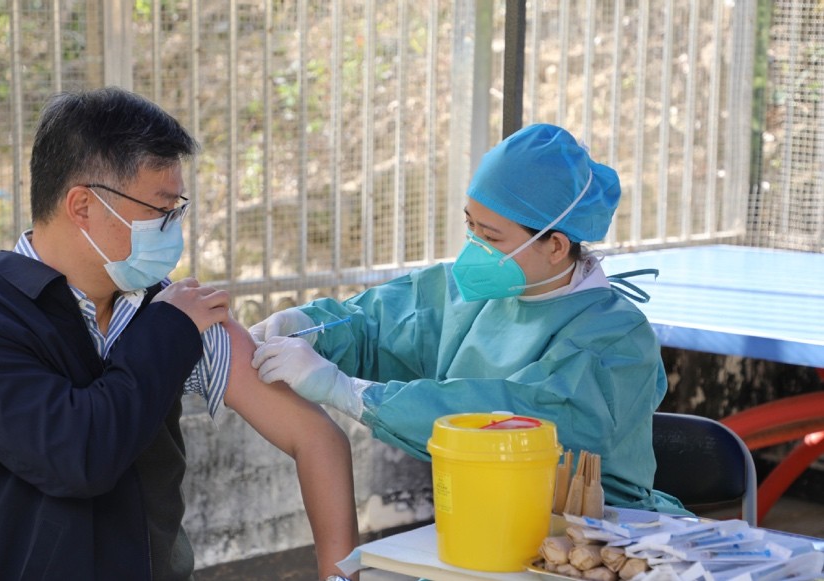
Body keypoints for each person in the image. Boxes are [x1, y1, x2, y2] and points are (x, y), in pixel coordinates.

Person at [0, 87, 358, 580]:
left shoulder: (167, 307)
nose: (173, 228)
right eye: (160, 209)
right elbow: (78, 456)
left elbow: (317, 438)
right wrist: (168, 332)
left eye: (177, 209)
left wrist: (339, 576)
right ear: (82, 206)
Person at [251, 123, 686, 513]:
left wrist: (349, 392)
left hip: (598, 533)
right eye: (471, 225)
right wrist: (308, 325)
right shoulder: (471, 291)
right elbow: (380, 325)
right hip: (482, 521)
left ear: (555, 246)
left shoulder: (615, 339)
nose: (474, 246)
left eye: (491, 236)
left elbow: (516, 421)